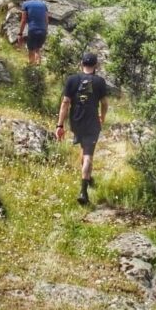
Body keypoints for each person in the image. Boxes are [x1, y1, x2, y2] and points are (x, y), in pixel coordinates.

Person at [55, 52, 109, 205]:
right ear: (96, 66)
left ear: (81, 64)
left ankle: (88, 177)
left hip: (76, 121)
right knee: (88, 155)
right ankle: (83, 191)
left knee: (83, 149)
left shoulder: (72, 80)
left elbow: (65, 103)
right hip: (92, 122)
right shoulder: (99, 81)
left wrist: (60, 125)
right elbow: (105, 103)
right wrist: (102, 117)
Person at [18, 0, 49, 65]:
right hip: (43, 30)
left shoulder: (26, 4)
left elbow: (23, 20)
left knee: (31, 50)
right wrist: (45, 30)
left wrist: (20, 33)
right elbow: (47, 20)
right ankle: (38, 67)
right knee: (38, 49)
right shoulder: (43, 4)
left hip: (33, 30)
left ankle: (31, 68)